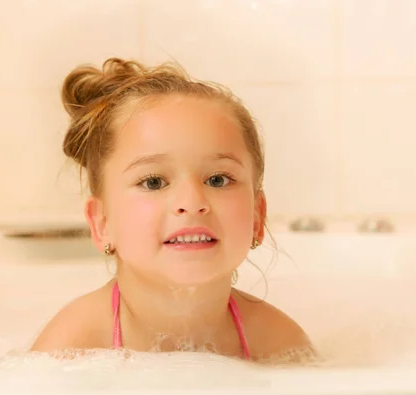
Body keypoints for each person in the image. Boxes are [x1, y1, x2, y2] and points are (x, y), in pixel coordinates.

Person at [31, 58, 314, 363]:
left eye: (218, 179)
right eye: (153, 182)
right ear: (102, 223)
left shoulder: (277, 343)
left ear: (257, 216)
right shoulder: (72, 348)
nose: (192, 202)